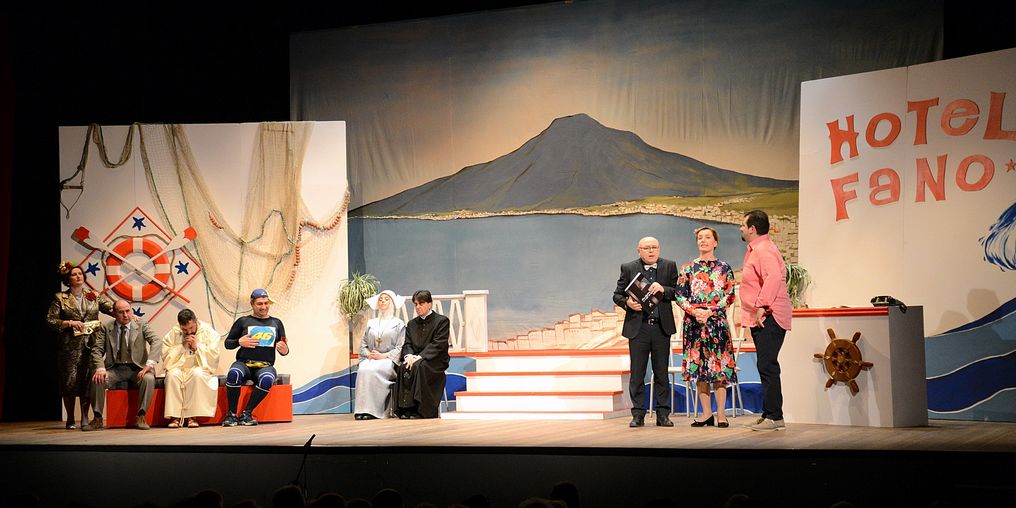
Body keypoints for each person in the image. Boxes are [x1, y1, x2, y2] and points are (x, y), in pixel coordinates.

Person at [612, 236, 678, 427]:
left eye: (654, 247)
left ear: (659, 249)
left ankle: (663, 414)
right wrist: (628, 303)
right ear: (638, 250)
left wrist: (663, 289)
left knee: (661, 373)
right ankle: (638, 414)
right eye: (647, 248)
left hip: (660, 327)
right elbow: (617, 295)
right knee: (637, 373)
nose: (651, 251)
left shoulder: (669, 266)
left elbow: (678, 292)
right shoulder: (628, 268)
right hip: (638, 327)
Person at [675, 226, 737, 428]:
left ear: (715, 242)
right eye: (700, 238)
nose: (703, 240)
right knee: (699, 368)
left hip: (717, 324)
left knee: (719, 368)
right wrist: (695, 312)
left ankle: (721, 414)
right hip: (694, 325)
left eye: (707, 237)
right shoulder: (688, 268)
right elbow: (680, 296)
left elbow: (729, 295)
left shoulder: (724, 268)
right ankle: (706, 413)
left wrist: (710, 311)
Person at [739, 210, 792, 431]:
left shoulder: (764, 249)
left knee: (767, 365)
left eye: (743, 225)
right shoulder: (758, 249)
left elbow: (774, 277)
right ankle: (769, 413)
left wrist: (762, 305)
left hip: (769, 316)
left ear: (752, 229)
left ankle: (775, 417)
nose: (741, 229)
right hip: (762, 315)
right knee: (764, 364)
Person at [46, 261, 115, 429]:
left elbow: (111, 309)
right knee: (69, 382)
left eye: (80, 273)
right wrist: (69, 323)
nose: (78, 276)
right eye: (74, 274)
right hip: (69, 348)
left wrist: (126, 313)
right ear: (67, 279)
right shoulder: (60, 298)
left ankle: (84, 417)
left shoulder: (93, 295)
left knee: (88, 381)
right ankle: (70, 418)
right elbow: (50, 320)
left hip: (91, 346)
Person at [87, 299, 161, 430]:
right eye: (121, 312)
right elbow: (97, 350)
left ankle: (141, 416)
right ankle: (97, 418)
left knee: (149, 378)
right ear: (114, 314)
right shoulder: (106, 327)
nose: (125, 315)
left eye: (128, 311)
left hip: (137, 369)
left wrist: (149, 364)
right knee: (97, 378)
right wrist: (100, 368)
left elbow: (156, 341)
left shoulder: (141, 324)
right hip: (115, 369)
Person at [222, 288, 290, 427]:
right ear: (252, 304)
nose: (263, 307)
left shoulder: (277, 323)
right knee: (234, 373)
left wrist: (285, 350)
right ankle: (231, 414)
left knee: (267, 379)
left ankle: (246, 413)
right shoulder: (243, 321)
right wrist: (239, 342)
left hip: (265, 366)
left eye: (266, 303)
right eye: (259, 304)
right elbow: (227, 344)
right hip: (244, 364)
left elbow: (284, 346)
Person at [393, 290, 450, 419]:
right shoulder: (412, 324)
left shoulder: (442, 321)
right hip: (415, 358)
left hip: (435, 360)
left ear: (429, 304)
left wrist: (420, 356)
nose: (418, 307)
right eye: (416, 304)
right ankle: (406, 409)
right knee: (403, 367)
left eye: (421, 303)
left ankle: (421, 410)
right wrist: (408, 356)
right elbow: (407, 343)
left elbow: (438, 344)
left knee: (420, 366)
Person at [161, 308, 220, 428]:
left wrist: (196, 347)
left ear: (196, 321)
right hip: (179, 368)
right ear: (180, 325)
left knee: (197, 374)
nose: (188, 332)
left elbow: (214, 356)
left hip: (199, 367)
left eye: (191, 328)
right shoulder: (173, 333)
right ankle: (175, 417)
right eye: (185, 329)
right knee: (172, 375)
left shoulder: (208, 332)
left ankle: (192, 417)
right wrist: (182, 347)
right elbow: (166, 357)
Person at [354, 290, 406, 420]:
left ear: (392, 302)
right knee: (363, 369)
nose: (383, 301)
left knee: (374, 370)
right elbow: (363, 344)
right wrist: (369, 354)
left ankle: (375, 411)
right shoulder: (371, 323)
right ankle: (362, 409)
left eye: (386, 299)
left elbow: (400, 347)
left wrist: (384, 356)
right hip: (371, 358)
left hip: (388, 360)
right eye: (381, 299)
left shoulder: (399, 324)